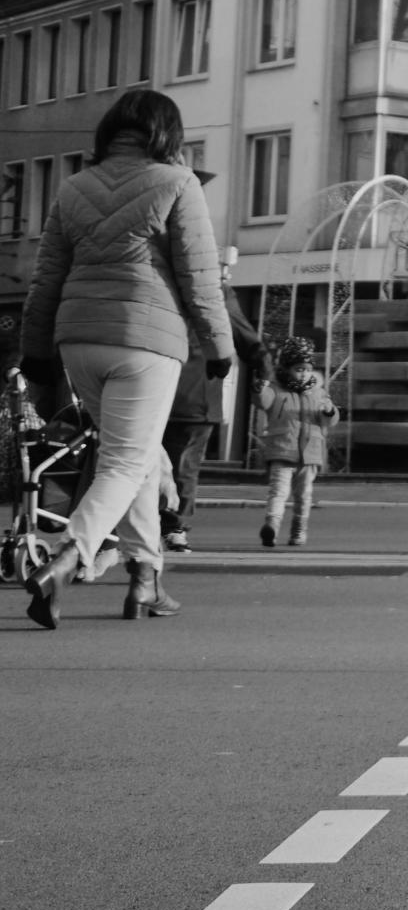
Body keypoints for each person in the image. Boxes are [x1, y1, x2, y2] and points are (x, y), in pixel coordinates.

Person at [19, 88, 235, 626]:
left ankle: (146, 579)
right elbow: (199, 277)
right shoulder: (178, 182)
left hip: (79, 342)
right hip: (146, 341)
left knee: (134, 458)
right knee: (125, 460)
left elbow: (46, 279)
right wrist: (220, 348)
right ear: (168, 133)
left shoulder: (74, 187)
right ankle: (67, 557)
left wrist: (35, 351)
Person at [161, 248, 262, 554]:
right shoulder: (214, 290)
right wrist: (267, 371)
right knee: (183, 467)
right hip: (194, 396)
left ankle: (123, 530)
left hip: (150, 389)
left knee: (130, 462)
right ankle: (173, 526)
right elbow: (244, 336)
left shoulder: (155, 280)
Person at [254, 337, 337, 548]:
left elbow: (329, 420)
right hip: (281, 450)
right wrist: (259, 389)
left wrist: (329, 412)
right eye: (298, 369)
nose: (304, 374)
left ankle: (299, 529)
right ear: (287, 369)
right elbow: (263, 401)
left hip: (309, 454)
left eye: (307, 369)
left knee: (303, 496)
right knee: (278, 492)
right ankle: (272, 526)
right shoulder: (276, 389)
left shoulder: (318, 392)